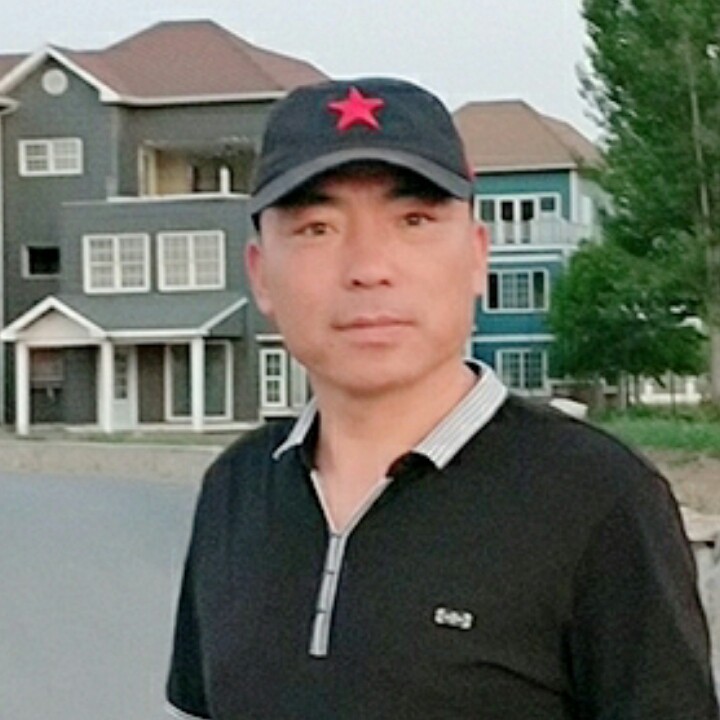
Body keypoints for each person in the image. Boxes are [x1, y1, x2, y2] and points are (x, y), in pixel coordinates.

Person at [166, 77, 718, 720]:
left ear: (478, 256)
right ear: (261, 274)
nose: (369, 267)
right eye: (317, 228)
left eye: (414, 221)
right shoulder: (235, 489)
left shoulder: (599, 498)